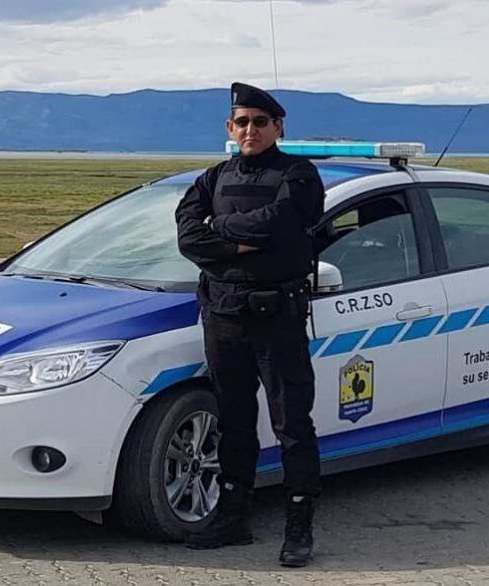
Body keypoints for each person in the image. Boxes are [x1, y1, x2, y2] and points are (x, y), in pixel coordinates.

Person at [175, 82, 325, 566]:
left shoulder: (298, 175)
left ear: (278, 127)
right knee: (235, 422)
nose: (251, 130)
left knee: (292, 426)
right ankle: (233, 517)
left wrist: (221, 229)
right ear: (229, 128)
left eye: (261, 122)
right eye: (242, 122)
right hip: (223, 316)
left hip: (277, 317)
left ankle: (298, 527)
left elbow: (279, 223)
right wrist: (237, 240)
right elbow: (187, 236)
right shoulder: (214, 177)